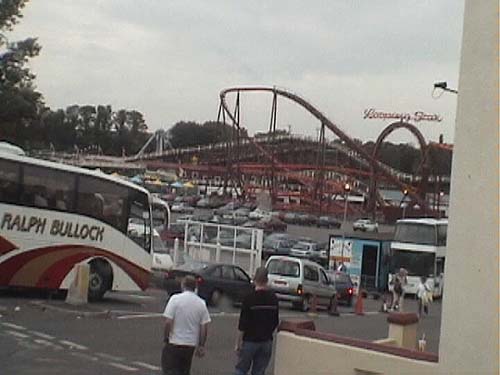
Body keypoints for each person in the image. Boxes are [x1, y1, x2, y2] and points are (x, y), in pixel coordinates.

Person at [162, 275, 211, 375]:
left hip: (174, 342)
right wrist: (201, 345)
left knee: (170, 369)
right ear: (195, 287)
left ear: (183, 285)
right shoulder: (201, 303)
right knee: (184, 370)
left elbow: (168, 322)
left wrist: (166, 337)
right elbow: (204, 327)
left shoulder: (175, 299)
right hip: (190, 344)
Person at [235, 267, 279, 375]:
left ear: (255, 279)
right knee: (259, 371)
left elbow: (242, 324)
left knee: (241, 369)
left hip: (250, 341)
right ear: (267, 280)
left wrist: (238, 343)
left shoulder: (249, 298)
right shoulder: (273, 299)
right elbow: (275, 322)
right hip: (266, 341)